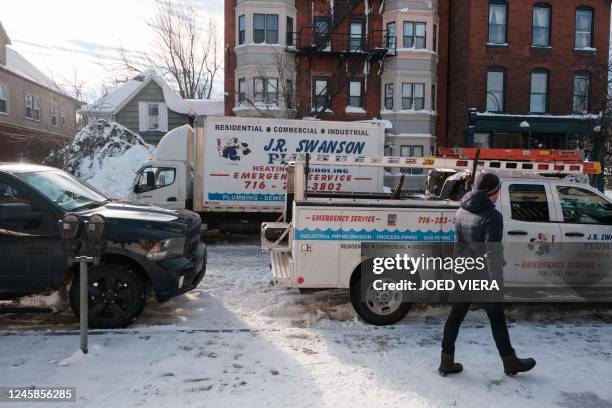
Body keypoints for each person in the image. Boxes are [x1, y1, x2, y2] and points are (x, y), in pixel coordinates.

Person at [438, 172, 536, 377]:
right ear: (493, 192)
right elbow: (492, 253)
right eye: (499, 190)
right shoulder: (492, 216)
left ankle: (446, 362)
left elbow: (459, 244)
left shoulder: (461, 209)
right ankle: (510, 362)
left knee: (455, 316)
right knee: (497, 318)